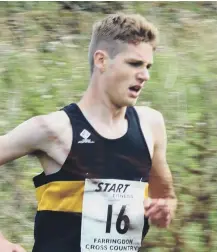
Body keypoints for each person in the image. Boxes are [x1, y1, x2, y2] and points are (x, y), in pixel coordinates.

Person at [0, 12, 177, 252]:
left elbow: (164, 196)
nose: (144, 75)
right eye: (134, 63)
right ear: (101, 60)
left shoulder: (151, 125)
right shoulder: (53, 129)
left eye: (148, 66)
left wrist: (164, 209)